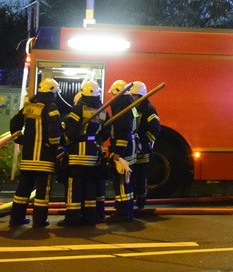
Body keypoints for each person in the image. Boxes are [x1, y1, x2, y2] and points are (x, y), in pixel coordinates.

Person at [8, 77, 63, 229]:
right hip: (44, 159)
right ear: (53, 92)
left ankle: (16, 218)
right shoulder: (51, 107)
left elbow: (14, 122)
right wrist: (54, 146)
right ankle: (39, 221)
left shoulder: (29, 106)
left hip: (28, 158)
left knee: (22, 190)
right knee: (42, 193)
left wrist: (20, 139)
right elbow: (54, 130)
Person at [60, 80, 105, 227]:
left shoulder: (78, 109)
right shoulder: (102, 110)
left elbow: (70, 130)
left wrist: (67, 141)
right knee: (90, 186)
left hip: (77, 154)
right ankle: (89, 217)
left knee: (75, 187)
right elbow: (105, 132)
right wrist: (96, 139)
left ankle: (72, 219)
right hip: (93, 154)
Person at [101, 79, 138, 223]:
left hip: (124, 150)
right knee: (127, 182)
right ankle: (127, 211)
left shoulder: (122, 108)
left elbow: (122, 131)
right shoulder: (130, 105)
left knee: (121, 182)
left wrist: (118, 151)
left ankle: (122, 214)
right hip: (131, 147)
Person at [132, 81, 161, 210]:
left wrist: (144, 142)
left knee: (141, 176)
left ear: (140, 95)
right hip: (133, 148)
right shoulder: (134, 108)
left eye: (133, 95)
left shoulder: (148, 109)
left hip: (142, 149)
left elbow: (155, 128)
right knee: (132, 175)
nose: (131, 98)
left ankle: (141, 202)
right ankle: (132, 200)